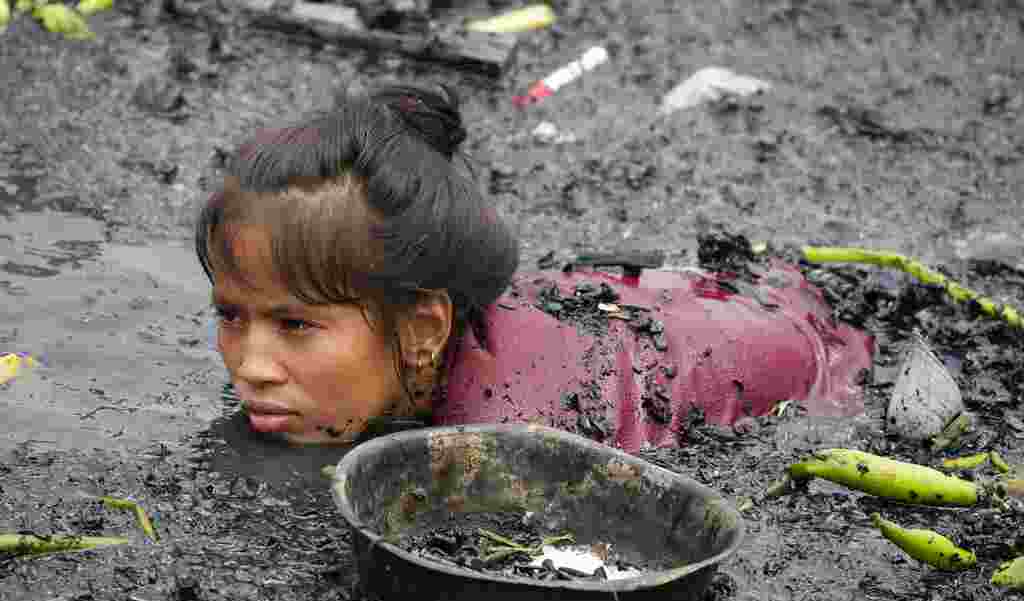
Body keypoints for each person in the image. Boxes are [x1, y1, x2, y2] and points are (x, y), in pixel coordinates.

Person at [195, 82, 873, 453]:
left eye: (293, 323)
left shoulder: (506, 441)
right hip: (635, 312)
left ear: (425, 330)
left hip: (814, 354)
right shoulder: (398, 347)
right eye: (231, 314)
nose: (249, 363)